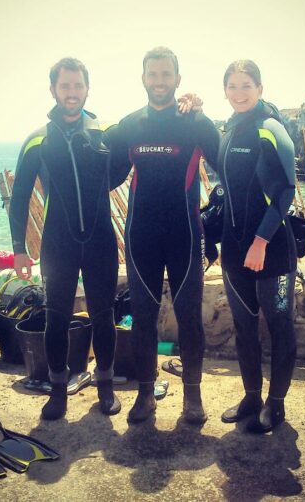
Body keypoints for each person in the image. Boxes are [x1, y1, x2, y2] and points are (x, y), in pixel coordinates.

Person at [107, 46, 220, 424]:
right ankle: (145, 396)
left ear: (178, 79)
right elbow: (109, 176)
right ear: (143, 79)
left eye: (165, 74)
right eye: (152, 74)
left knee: (190, 318)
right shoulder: (129, 126)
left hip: (185, 235)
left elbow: (231, 164)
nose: (159, 81)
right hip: (141, 238)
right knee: (143, 316)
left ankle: (192, 397)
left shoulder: (196, 122)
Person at [9, 57, 120, 420]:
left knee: (104, 316)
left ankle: (104, 385)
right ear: (53, 90)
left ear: (87, 88)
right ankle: (58, 389)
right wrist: (19, 251)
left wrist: (189, 106)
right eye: (65, 86)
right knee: (55, 318)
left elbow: (147, 134)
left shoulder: (106, 133)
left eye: (78, 86)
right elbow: (21, 196)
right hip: (58, 244)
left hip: (101, 240)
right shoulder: (37, 140)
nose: (72, 93)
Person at [218, 59, 297, 433]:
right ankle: (251, 396)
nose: (239, 93)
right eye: (232, 86)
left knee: (279, 324)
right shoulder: (228, 131)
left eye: (246, 85)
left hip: (273, 249)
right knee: (243, 325)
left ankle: (275, 404)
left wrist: (261, 240)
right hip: (234, 250)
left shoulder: (270, 129)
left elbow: (286, 190)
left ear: (260, 89)